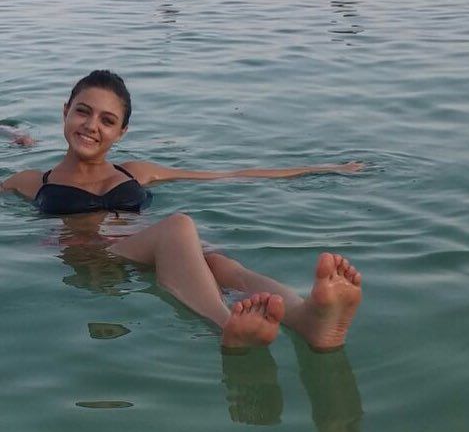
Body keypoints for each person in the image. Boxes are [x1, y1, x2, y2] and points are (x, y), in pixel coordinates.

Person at [0, 70, 363, 351]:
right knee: (178, 227)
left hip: (157, 248)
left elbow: (231, 175)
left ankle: (308, 319)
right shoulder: (32, 181)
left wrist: (326, 168)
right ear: (65, 111)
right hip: (96, 257)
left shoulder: (134, 172)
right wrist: (12, 136)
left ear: (121, 132)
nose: (92, 126)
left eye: (107, 120)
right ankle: (227, 326)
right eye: (83, 111)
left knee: (220, 264)